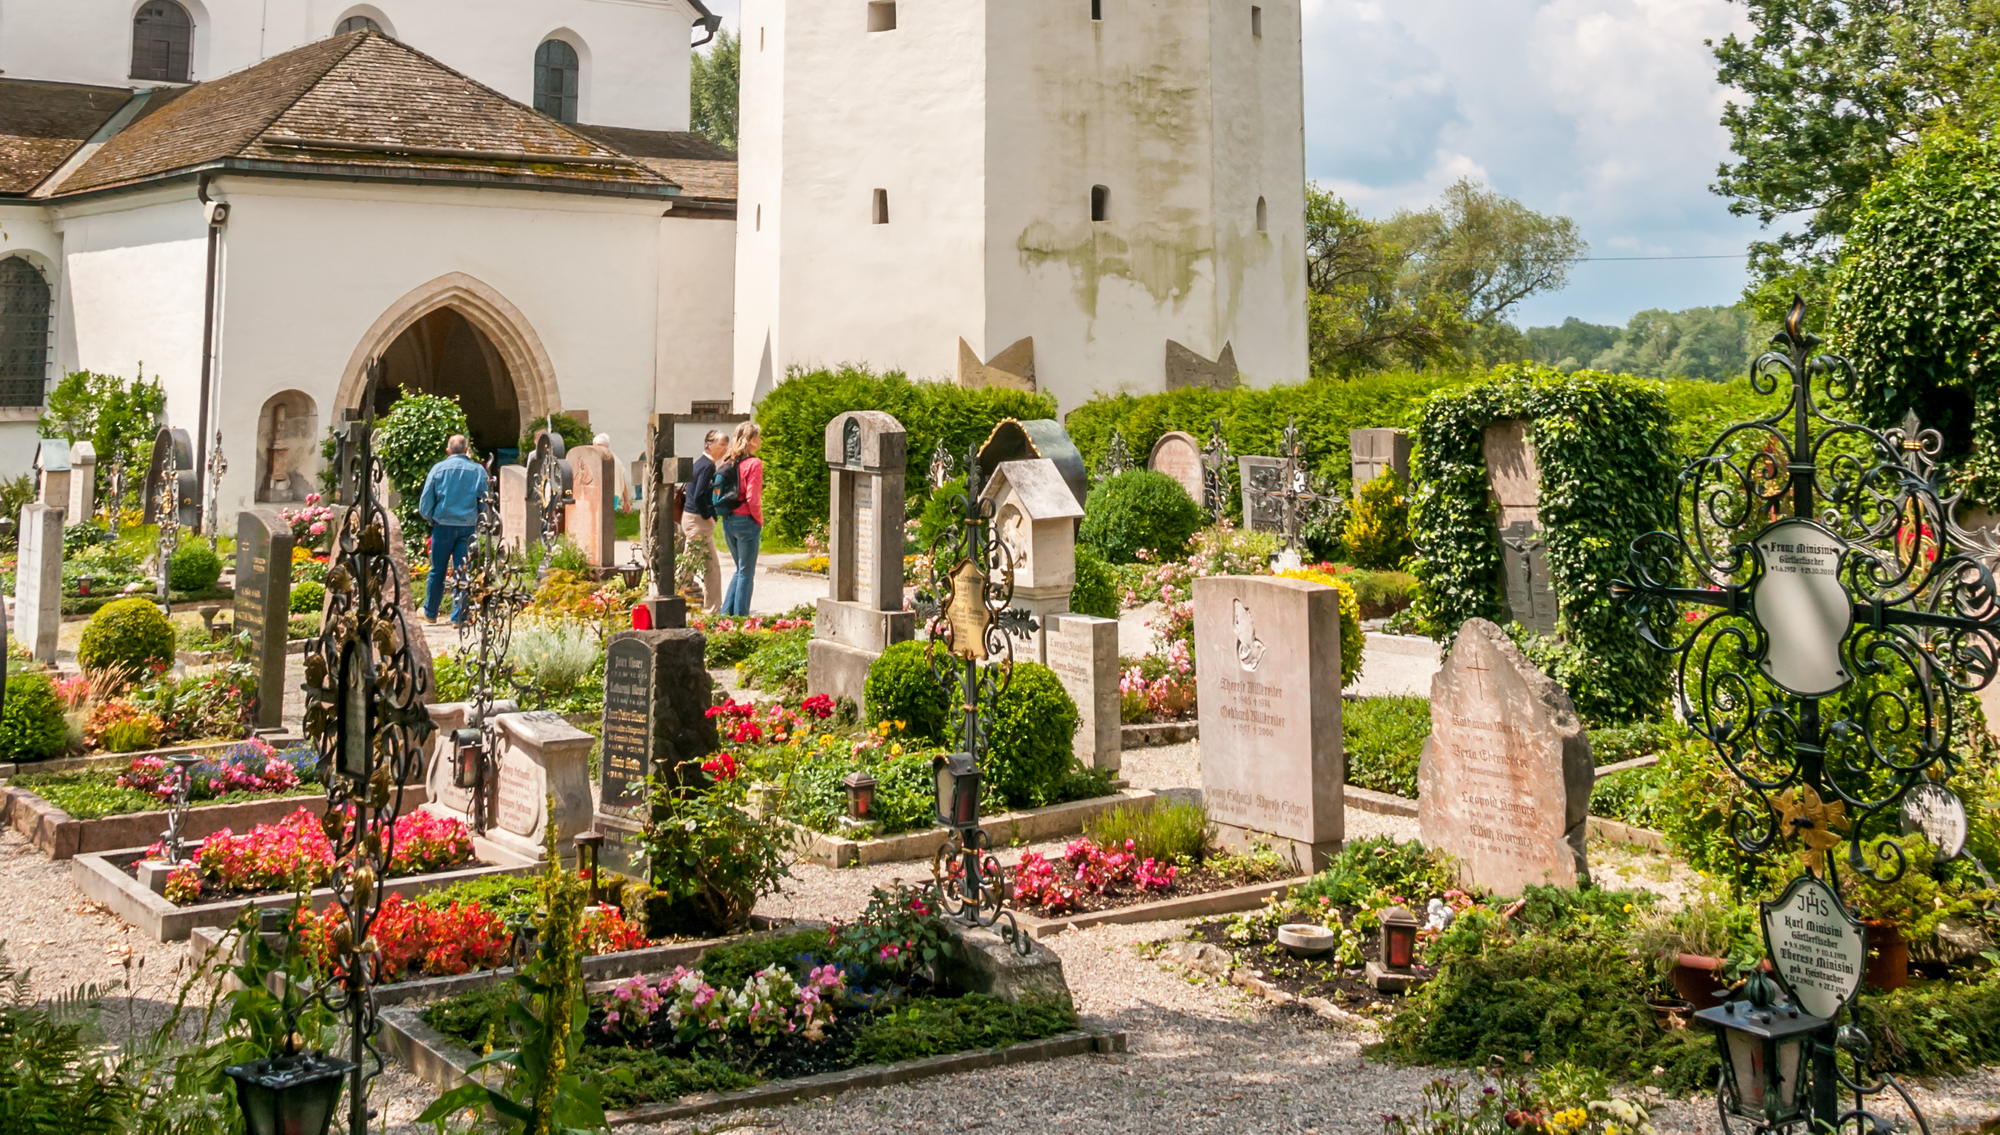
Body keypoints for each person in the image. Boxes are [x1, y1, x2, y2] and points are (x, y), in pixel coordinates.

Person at [417, 434, 486, 625]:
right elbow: (485, 499)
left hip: (443, 525)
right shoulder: (478, 471)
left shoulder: (438, 469)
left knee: (437, 570)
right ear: (466, 450)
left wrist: (430, 517)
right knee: (462, 571)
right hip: (467, 526)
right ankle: (459, 615)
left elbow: (425, 502)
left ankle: (430, 612)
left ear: (448, 451)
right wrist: (478, 515)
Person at [716, 421, 764, 616]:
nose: (760, 440)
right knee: (746, 572)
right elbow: (753, 497)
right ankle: (741, 618)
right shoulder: (754, 463)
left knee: (740, 569)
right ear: (751, 440)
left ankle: (726, 615)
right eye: (758, 437)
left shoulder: (727, 462)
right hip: (746, 520)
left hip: (728, 520)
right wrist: (759, 519)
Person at [681, 429, 727, 611]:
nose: (725, 448)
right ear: (710, 445)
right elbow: (700, 495)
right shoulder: (707, 466)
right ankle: (668, 600)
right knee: (688, 567)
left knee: (712, 567)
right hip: (698, 521)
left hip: (695, 519)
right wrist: (708, 515)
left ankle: (713, 610)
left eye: (726, 444)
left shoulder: (701, 463)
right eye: (722, 444)